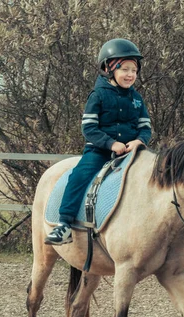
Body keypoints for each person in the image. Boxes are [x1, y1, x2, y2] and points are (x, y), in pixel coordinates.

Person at [45, 38, 152, 245]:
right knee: (79, 176)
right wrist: (111, 144)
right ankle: (64, 224)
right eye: (125, 69)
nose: (131, 75)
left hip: (132, 152)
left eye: (134, 70)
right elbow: (89, 128)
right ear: (109, 69)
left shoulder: (137, 98)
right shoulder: (98, 95)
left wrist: (139, 141)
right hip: (100, 151)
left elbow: (145, 127)